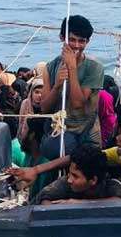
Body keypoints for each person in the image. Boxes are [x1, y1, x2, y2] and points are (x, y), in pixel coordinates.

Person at [9, 112, 121, 198]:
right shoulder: (120, 154)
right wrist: (36, 170)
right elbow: (81, 157)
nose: (118, 139)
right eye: (120, 134)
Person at [41, 15, 106, 150]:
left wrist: (72, 68)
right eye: (72, 40)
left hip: (86, 131)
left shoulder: (94, 67)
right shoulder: (50, 67)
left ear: (87, 41)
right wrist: (57, 86)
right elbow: (45, 108)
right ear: (62, 38)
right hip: (58, 129)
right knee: (50, 147)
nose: (76, 45)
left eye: (81, 41)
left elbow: (77, 104)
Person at [34, 144, 121, 205]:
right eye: (70, 174)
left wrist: (80, 203)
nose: (69, 180)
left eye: (75, 176)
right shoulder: (66, 183)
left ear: (93, 180)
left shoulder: (111, 187)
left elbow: (118, 201)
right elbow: (43, 198)